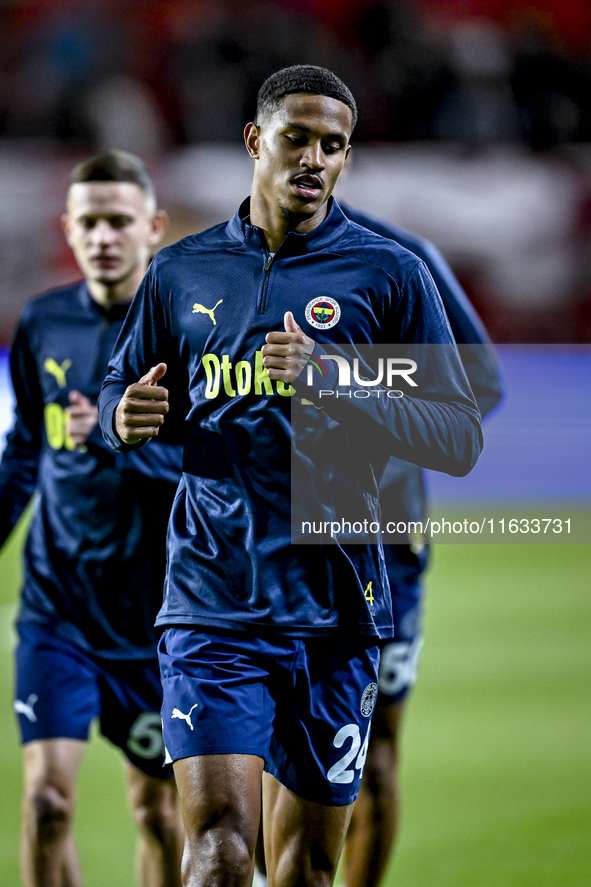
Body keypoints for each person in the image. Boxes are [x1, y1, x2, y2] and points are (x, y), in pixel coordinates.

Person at [98, 65, 483, 887]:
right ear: (254, 141)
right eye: (297, 139)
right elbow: (117, 390)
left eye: (333, 146)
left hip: (336, 605)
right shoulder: (181, 273)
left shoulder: (389, 275)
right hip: (212, 605)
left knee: (305, 868)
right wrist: (116, 417)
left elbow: (457, 434)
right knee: (220, 851)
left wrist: (338, 377)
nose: (314, 159)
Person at [0, 150, 184, 887]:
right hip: (60, 608)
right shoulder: (43, 321)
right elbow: (24, 452)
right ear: (68, 232)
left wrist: (115, 442)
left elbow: (216, 469)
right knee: (45, 801)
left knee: (159, 815)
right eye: (89, 223)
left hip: (157, 618)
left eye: (118, 221)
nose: (103, 236)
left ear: (153, 228)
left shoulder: (188, 333)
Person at [338, 203, 502, 887]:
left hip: (382, 545)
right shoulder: (224, 263)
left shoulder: (402, 258)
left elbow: (479, 385)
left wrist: (345, 385)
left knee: (372, 755)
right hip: (257, 551)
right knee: (253, 754)